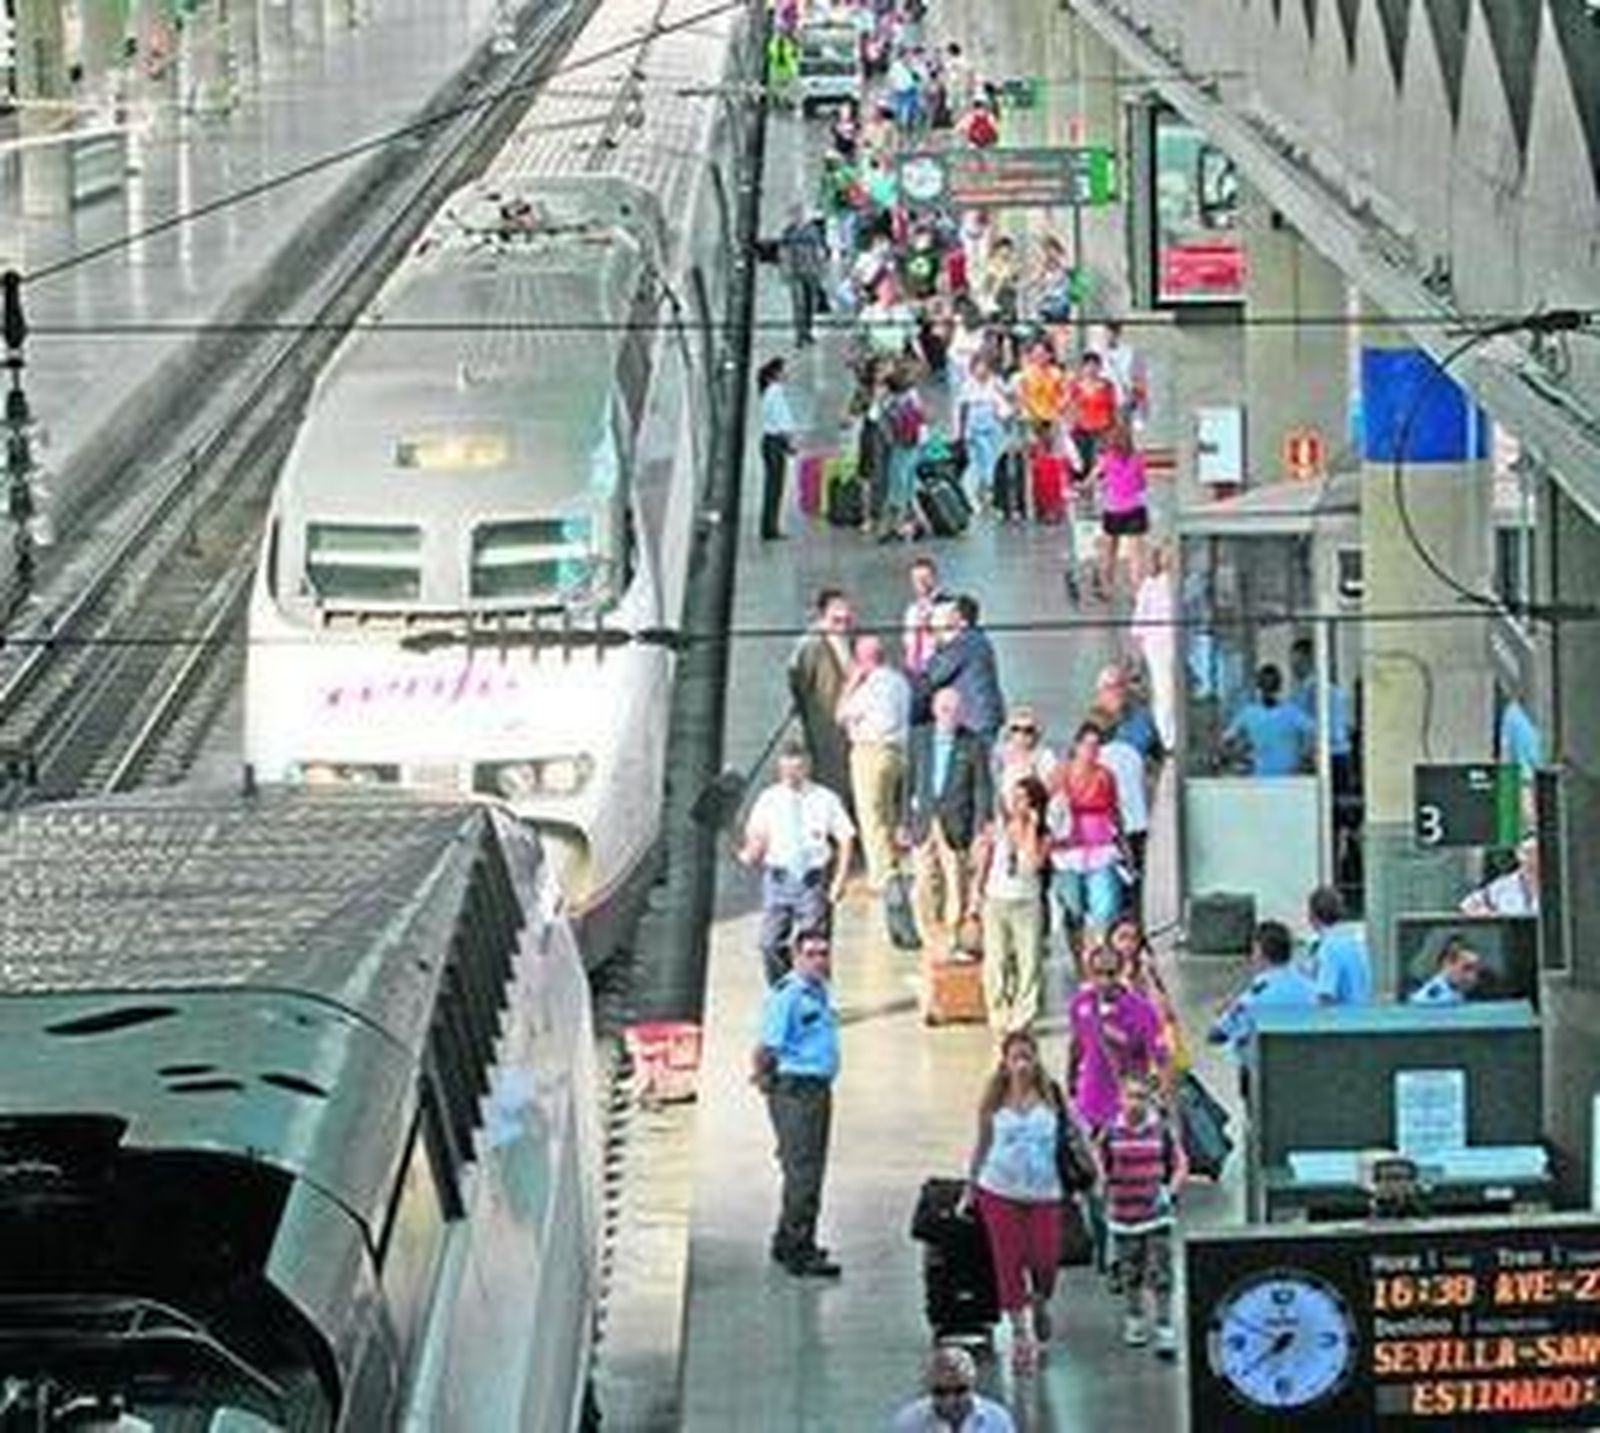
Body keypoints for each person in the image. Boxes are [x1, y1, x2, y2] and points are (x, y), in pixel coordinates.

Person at [962, 1031, 1067, 1375]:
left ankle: (1039, 1302)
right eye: (1015, 1058)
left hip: (1044, 1192)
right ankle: (1021, 1337)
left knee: (1045, 1261)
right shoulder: (993, 1101)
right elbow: (981, 1146)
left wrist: (1095, 1170)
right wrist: (970, 1187)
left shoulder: (1051, 1094)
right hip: (999, 1190)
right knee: (1008, 1264)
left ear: (1036, 1060)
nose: (1022, 1065)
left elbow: (1075, 1134)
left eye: (1027, 1057)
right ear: (1004, 1064)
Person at [751, 930, 842, 1277]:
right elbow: (766, 1048)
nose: (820, 960)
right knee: (804, 1173)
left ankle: (785, 1240)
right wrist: (771, 1087)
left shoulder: (817, 991)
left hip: (815, 1089)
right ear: (796, 956)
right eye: (812, 954)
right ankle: (799, 1250)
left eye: (824, 953)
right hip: (797, 1091)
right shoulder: (787, 997)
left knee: (803, 1169)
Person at [740, 742, 856, 985]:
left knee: (813, 947)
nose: (792, 776)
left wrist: (840, 879)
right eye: (787, 770)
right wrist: (750, 852)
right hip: (778, 879)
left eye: (797, 769)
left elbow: (845, 838)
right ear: (779, 771)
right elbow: (757, 838)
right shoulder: (768, 799)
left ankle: (814, 998)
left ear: (807, 768)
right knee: (769, 943)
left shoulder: (825, 799)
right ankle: (783, 991)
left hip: (812, 880)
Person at [1095, 1071, 1186, 1356]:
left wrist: (1170, 1191)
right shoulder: (1111, 1131)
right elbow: (1099, 1161)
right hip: (1124, 1216)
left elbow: (1180, 1162)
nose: (1135, 1103)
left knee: (1162, 1272)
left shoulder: (1161, 1130)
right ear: (1120, 1099)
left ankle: (1164, 1325)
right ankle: (1134, 1319)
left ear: (1150, 1100)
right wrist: (1102, 1186)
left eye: (1142, 1097)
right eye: (1130, 1096)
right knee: (1130, 1271)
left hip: (1157, 1214)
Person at [902, 688, 994, 952]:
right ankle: (932, 938)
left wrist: (981, 826)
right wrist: (903, 821)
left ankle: (953, 936)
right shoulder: (919, 738)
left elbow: (982, 788)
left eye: (954, 710)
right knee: (923, 884)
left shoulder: (973, 743)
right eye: (944, 709)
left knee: (956, 882)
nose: (949, 715)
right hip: (924, 821)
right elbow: (908, 782)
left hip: (956, 824)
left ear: (961, 713)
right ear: (934, 709)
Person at [974, 776, 1050, 1034]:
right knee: (995, 959)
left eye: (1022, 799)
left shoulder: (1043, 833)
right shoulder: (998, 827)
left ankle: (1024, 1014)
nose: (1016, 803)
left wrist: (1030, 827)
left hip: (1026, 901)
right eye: (1013, 797)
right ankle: (998, 1012)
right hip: (996, 898)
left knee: (1029, 960)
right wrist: (976, 892)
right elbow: (983, 860)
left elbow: (1032, 864)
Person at [836, 635, 912, 892]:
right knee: (888, 814)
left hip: (870, 752)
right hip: (898, 753)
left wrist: (851, 684)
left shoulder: (868, 687)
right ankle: (894, 865)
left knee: (872, 817)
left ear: (862, 660)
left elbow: (840, 714)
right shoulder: (900, 681)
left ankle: (881, 877)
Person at [1208, 920, 1318, 1098]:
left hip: (1264, 1085)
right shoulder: (1311, 989)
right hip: (1306, 1077)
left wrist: (1226, 1011)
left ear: (1259, 952)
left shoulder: (1253, 999)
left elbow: (1215, 1035)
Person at [1047, 723, 1124, 955]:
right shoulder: (1061, 773)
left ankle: (1099, 952)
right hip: (1068, 849)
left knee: (1105, 904)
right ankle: (1078, 952)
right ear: (1077, 746)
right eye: (1087, 745)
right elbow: (1050, 809)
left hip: (1100, 847)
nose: (1092, 750)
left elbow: (1114, 810)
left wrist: (1122, 842)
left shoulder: (1105, 776)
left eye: (1096, 746)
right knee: (1073, 905)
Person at [789, 588, 855, 802]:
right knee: (828, 778)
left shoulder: (851, 642)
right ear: (823, 614)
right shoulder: (811, 644)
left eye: (846, 611)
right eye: (837, 612)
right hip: (823, 725)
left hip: (849, 725)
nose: (844, 617)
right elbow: (798, 683)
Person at [920, 595, 1006, 750]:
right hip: (983, 718)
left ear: (960, 618)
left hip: (976, 721)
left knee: (977, 765)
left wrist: (933, 643)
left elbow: (935, 674)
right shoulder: (978, 638)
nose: (947, 619)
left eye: (952, 614)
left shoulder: (964, 642)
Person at [1093, 714, 1149, 918]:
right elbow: (1144, 786)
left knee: (1113, 880)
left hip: (1115, 827)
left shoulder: (1098, 758)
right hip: (1139, 823)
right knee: (1135, 880)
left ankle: (1117, 930)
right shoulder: (1132, 752)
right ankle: (1135, 924)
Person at [889, 1344, 1016, 1432]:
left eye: (960, 1390)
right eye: (940, 1392)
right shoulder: (908, 1422)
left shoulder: (998, 1419)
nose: (950, 1401)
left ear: (973, 1384)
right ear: (927, 1388)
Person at [1223, 663, 1315, 777]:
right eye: (1265, 685)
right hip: (1260, 778)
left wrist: (1304, 758)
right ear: (1259, 686)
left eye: (1272, 686)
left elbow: (1313, 733)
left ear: (1278, 687)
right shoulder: (1249, 713)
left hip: (1290, 779)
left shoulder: (1292, 712)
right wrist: (1240, 756)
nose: (1268, 691)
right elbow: (1227, 739)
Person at [1092, 420, 1149, 602]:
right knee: (1135, 554)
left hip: (1112, 509)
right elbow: (1143, 483)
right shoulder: (1138, 458)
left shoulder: (1106, 459)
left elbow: (1092, 479)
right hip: (1135, 508)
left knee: (1109, 551)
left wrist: (1086, 487)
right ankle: (1137, 591)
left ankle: (1107, 588)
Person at [1130, 542, 1177, 750]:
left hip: (1181, 643)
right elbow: (1139, 621)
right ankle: (1167, 738)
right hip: (1158, 645)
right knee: (1163, 690)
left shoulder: (1188, 583)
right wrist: (1137, 656)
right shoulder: (1150, 585)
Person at [957, 352, 1012, 510]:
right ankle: (971, 496)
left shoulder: (996, 382)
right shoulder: (967, 385)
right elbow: (963, 409)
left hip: (993, 425)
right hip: (974, 427)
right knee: (975, 463)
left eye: (985, 366)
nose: (981, 370)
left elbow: (1008, 397)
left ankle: (989, 495)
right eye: (978, 366)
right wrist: (962, 432)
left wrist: (1004, 413)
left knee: (992, 462)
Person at [1306, 885, 1373, 1005]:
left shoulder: (1328, 948)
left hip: (1341, 1020)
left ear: (1312, 916)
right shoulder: (1357, 944)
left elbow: (1325, 996)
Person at [757, 357, 798, 542]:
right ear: (777, 373)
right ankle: (770, 529)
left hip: (770, 442)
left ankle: (769, 526)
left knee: (772, 487)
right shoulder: (776, 393)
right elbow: (782, 423)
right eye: (785, 370)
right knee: (774, 488)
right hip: (775, 443)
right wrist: (790, 443)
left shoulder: (769, 392)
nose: (788, 373)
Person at [777, 206, 830, 348]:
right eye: (793, 216)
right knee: (799, 304)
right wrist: (785, 272)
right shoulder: (788, 232)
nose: (795, 218)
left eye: (797, 215)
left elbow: (820, 250)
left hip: (810, 271)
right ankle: (800, 334)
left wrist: (822, 268)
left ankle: (807, 331)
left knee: (809, 303)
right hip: (796, 273)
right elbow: (783, 254)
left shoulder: (812, 230)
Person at [1066, 351, 1118, 477]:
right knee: (1082, 466)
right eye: (1088, 366)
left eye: (1095, 365)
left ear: (1100, 367)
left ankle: (1099, 493)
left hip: (1103, 430)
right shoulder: (1075, 386)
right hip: (1081, 429)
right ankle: (1082, 491)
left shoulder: (1107, 386)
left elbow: (1113, 408)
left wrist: (1114, 430)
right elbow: (1067, 406)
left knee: (1101, 467)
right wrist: (1069, 423)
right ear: (1082, 368)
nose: (1091, 369)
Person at [1460, 835, 1540, 915]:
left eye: (1535, 853)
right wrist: (1487, 914)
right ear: (1517, 854)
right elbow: (1467, 905)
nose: (1529, 859)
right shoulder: (1503, 885)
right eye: (1526, 852)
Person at [993, 706, 1057, 793]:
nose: (1021, 734)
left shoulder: (1045, 757)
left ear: (1036, 733)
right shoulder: (1000, 754)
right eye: (1016, 729)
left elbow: (1049, 790)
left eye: (1028, 730)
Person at [902, 554, 946, 676]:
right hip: (914, 672)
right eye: (917, 579)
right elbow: (908, 644)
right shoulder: (911, 610)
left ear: (935, 578)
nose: (922, 583)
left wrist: (929, 627)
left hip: (937, 670)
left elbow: (952, 644)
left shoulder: (947, 607)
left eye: (926, 578)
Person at [1409, 936, 1483, 1005]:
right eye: (1466, 968)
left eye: (1476, 969)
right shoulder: (1433, 999)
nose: (1472, 977)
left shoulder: (1456, 993)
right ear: (1447, 964)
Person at [1100, 320, 1148, 424]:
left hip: (1123, 401)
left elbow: (1139, 380)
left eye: (1112, 333)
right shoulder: (1096, 352)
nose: (1108, 336)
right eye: (1106, 333)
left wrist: (1137, 400)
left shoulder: (1130, 353)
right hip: (1102, 402)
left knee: (1123, 433)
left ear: (1118, 334)